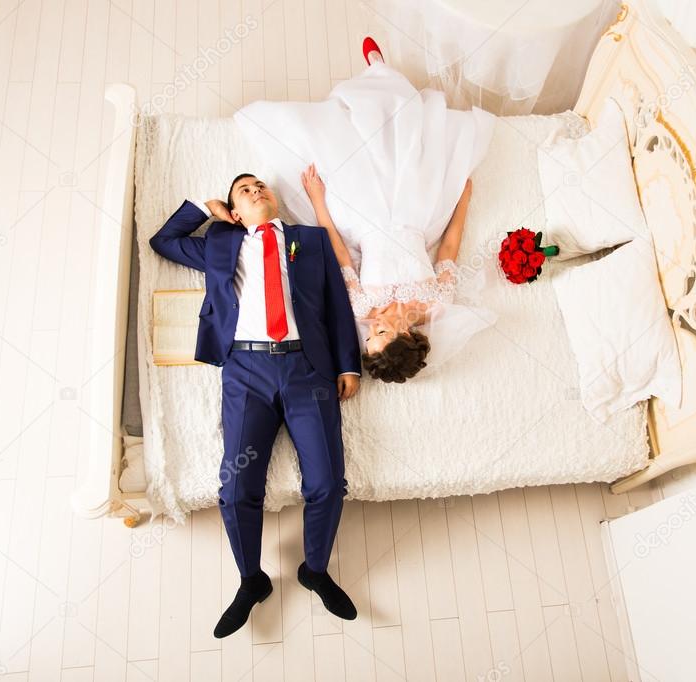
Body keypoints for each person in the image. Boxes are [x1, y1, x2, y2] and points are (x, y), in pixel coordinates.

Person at [149, 171, 361, 639]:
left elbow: (336, 302)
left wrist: (349, 364)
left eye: (260, 186)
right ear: (235, 210)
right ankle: (251, 580)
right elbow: (162, 240)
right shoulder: (221, 246)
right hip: (246, 372)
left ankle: (316, 570)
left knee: (328, 482)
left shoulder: (309, 241)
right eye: (243, 191)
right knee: (236, 487)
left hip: (309, 369)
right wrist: (207, 210)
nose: (255, 191)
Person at [233, 37, 498, 383]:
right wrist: (462, 197)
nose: (371, 331)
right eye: (380, 336)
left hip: (361, 219)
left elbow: (341, 253)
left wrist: (317, 200)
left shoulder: (362, 308)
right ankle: (380, 69)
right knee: (405, 146)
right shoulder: (436, 301)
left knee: (347, 151)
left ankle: (362, 94)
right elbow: (449, 247)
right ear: (405, 335)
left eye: (369, 339)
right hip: (414, 213)